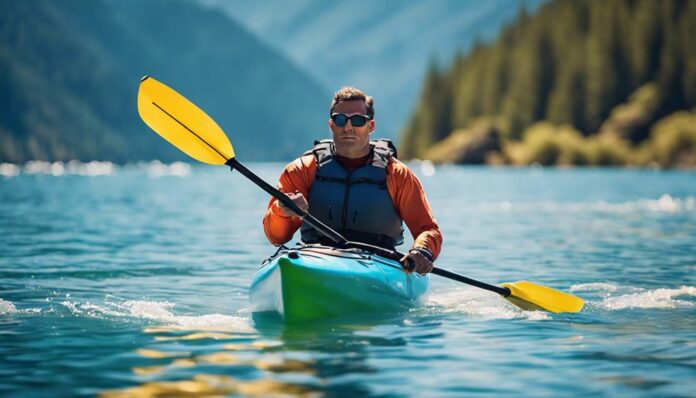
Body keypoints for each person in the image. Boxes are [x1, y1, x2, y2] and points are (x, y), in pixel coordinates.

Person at [262, 87, 442, 274]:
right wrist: (282, 211)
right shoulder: (301, 170)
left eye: (358, 120)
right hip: (315, 259)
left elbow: (428, 229)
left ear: (370, 126)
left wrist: (422, 250)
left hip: (378, 266)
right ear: (331, 125)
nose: (348, 127)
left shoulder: (397, 174)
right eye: (340, 119)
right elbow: (276, 237)